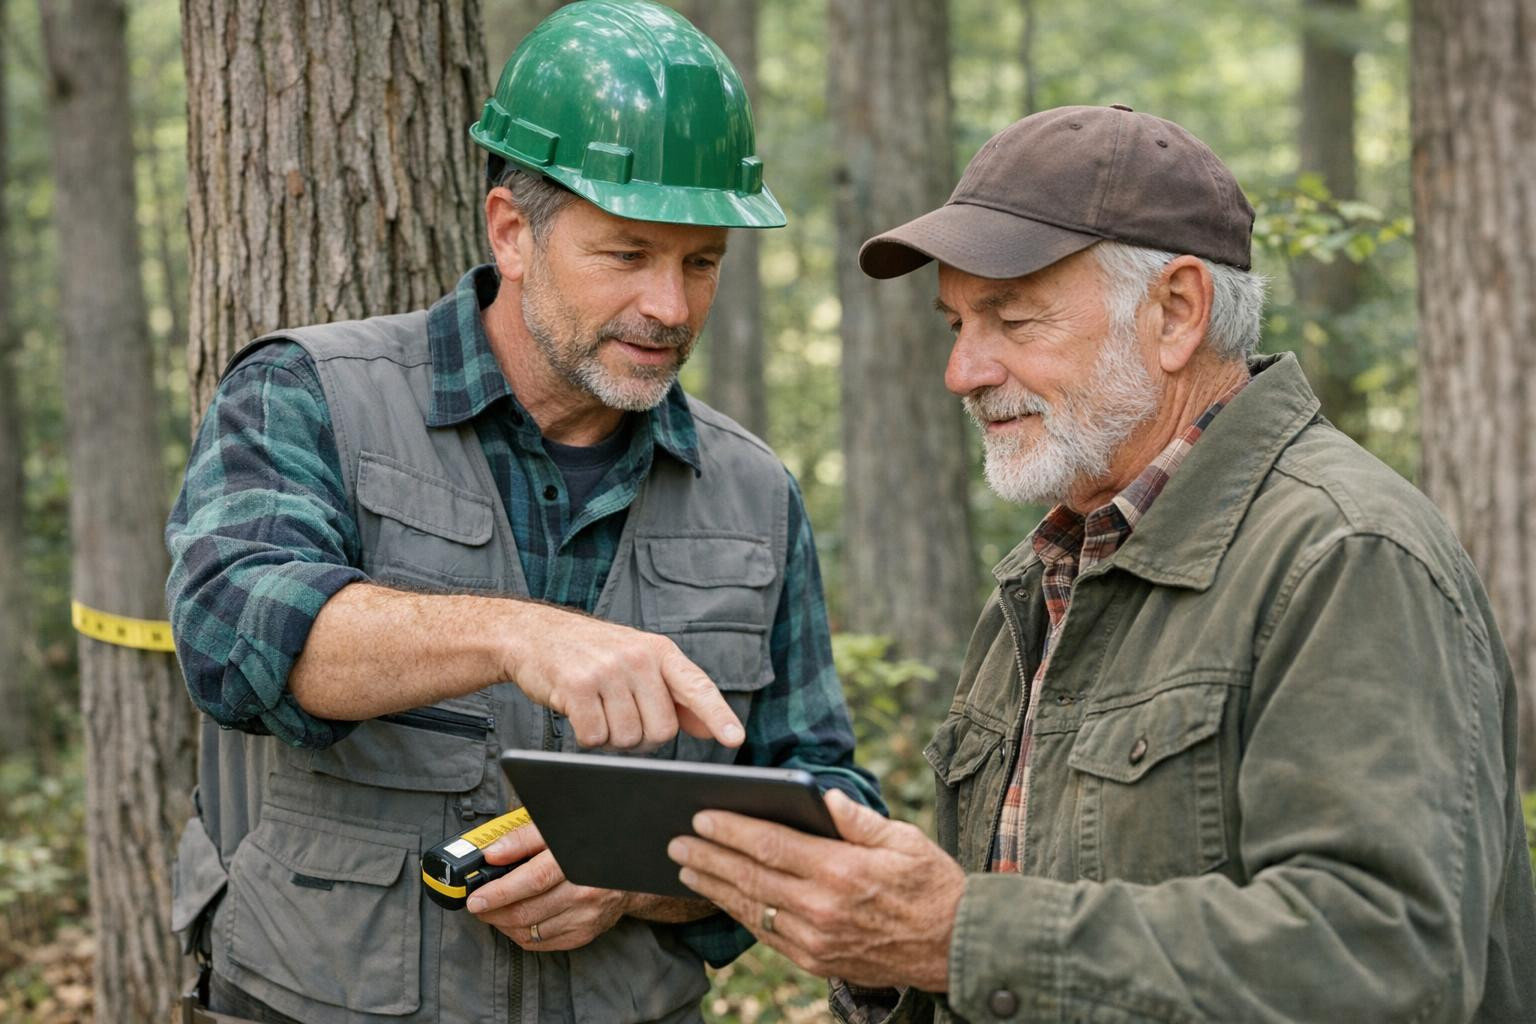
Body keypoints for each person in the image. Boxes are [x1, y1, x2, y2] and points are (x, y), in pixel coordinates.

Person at [668, 104, 1536, 1022]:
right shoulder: (1046, 576)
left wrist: (960, 935)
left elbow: (1386, 963)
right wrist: (886, 954)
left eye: (1011, 318)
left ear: (1176, 313)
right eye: (957, 324)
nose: (964, 370)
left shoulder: (1346, 555)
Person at [165, 4, 882, 1022]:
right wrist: (513, 633)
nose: (671, 307)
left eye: (702, 262)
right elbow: (234, 635)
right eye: (627, 255)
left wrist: (641, 876)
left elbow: (822, 803)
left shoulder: (754, 493)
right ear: (512, 230)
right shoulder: (311, 392)